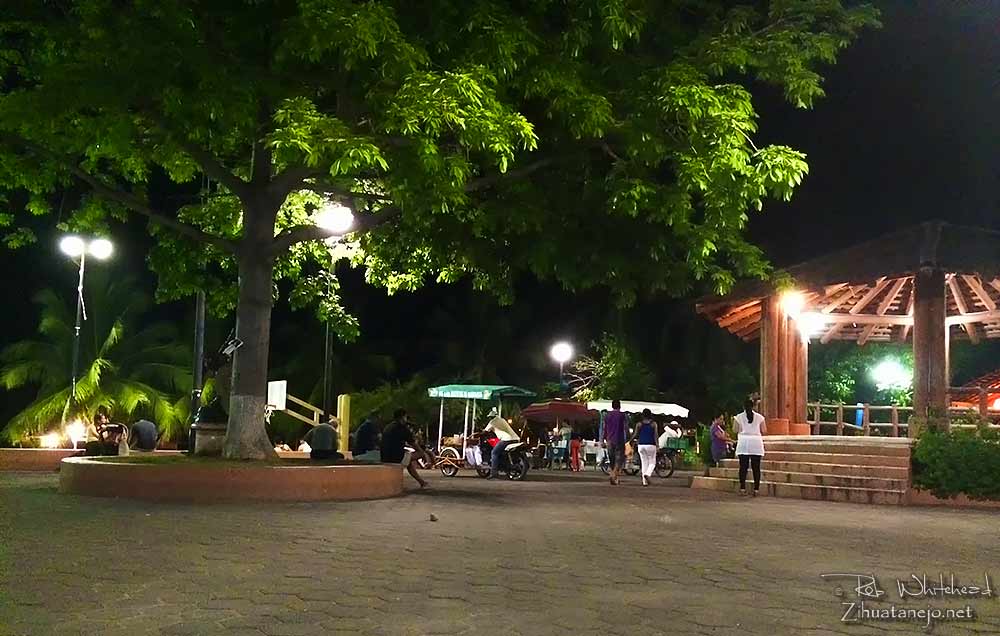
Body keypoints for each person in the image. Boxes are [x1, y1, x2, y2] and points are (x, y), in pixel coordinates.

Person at [381, 409, 429, 488]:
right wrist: (423, 454)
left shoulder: (388, 426)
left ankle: (422, 482)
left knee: (408, 461)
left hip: (385, 456)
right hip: (396, 458)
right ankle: (422, 482)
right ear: (403, 417)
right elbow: (413, 444)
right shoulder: (402, 428)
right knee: (419, 453)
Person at [734, 399, 767, 497]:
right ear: (754, 407)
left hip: (744, 442)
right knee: (756, 467)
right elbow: (764, 430)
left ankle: (742, 488)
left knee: (743, 467)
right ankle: (756, 489)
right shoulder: (760, 417)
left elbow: (735, 430)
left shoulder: (738, 417)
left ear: (743, 407)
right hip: (756, 443)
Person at [484, 409, 519, 479]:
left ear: (491, 417)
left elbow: (485, 431)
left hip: (506, 439)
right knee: (502, 452)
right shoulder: (502, 420)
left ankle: (494, 473)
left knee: (494, 453)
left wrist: (479, 433)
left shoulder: (492, 422)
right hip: (515, 438)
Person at [630, 409, 659, 486]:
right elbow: (655, 435)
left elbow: (635, 434)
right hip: (651, 445)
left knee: (644, 463)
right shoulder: (653, 424)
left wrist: (630, 440)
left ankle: (644, 482)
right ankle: (648, 474)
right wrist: (657, 445)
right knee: (652, 462)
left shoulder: (639, 424)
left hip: (641, 445)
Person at [602, 400, 627, 485]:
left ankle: (615, 477)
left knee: (612, 459)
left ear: (612, 406)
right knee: (619, 459)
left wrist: (602, 439)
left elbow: (604, 428)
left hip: (609, 439)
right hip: (619, 439)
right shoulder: (622, 415)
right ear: (619, 406)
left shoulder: (607, 415)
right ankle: (613, 476)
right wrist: (628, 438)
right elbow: (625, 427)